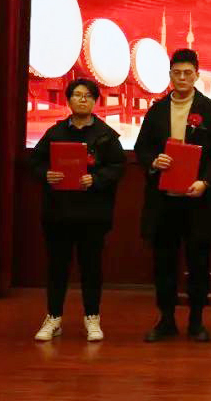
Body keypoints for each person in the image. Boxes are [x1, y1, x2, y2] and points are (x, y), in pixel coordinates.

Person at [135, 48, 211, 343]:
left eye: (188, 73)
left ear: (197, 75)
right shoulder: (157, 110)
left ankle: (196, 321)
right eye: (177, 73)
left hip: (197, 201)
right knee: (164, 263)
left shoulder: (210, 111)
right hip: (164, 202)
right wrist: (154, 161)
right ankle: (166, 320)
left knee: (198, 264)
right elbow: (141, 148)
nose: (182, 78)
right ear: (170, 76)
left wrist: (206, 181)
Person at [28, 78, 125, 342]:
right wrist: (46, 174)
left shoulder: (106, 135)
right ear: (69, 100)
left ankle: (92, 318)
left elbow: (118, 167)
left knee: (91, 268)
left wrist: (96, 179)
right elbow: (34, 162)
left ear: (95, 101)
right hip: (58, 213)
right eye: (77, 95)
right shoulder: (55, 133)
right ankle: (53, 318)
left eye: (88, 96)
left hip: (92, 215)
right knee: (57, 268)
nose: (83, 99)